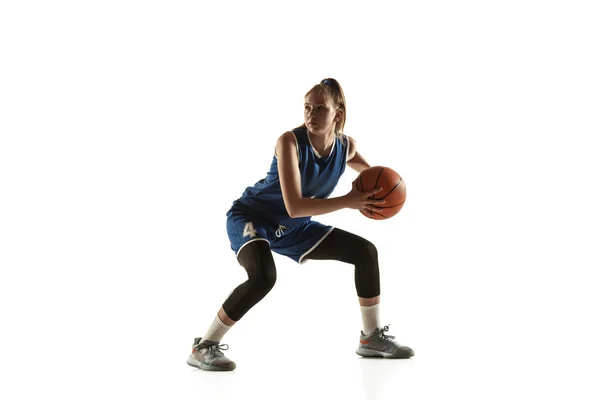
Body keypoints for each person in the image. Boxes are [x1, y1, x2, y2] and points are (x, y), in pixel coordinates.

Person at [187, 78, 414, 371]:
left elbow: (376, 177)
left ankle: (370, 339)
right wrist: (349, 200)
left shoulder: (345, 148)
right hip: (253, 217)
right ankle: (204, 346)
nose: (311, 114)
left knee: (365, 252)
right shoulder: (289, 142)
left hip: (294, 227)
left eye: (320, 108)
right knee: (263, 277)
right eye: (307, 107)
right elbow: (294, 206)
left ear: (338, 114)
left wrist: (389, 193)